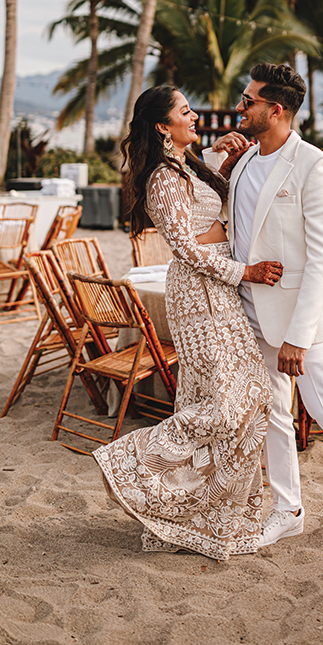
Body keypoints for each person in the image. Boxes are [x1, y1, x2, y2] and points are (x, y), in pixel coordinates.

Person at [205, 63, 323, 558]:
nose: (240, 108)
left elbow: (321, 263)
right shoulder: (244, 161)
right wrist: (216, 152)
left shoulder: (316, 166)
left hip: (298, 321)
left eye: (248, 102)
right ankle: (286, 510)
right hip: (247, 311)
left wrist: (298, 336)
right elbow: (208, 201)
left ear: (277, 110)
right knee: (273, 415)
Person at [92, 85, 283, 562]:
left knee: (229, 397)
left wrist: (220, 156)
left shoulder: (184, 167)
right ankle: (131, 460)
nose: (194, 115)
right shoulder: (161, 178)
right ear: (162, 125)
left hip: (218, 291)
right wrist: (247, 271)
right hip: (199, 295)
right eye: (184, 110)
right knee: (236, 400)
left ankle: (202, 517)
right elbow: (187, 247)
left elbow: (205, 207)